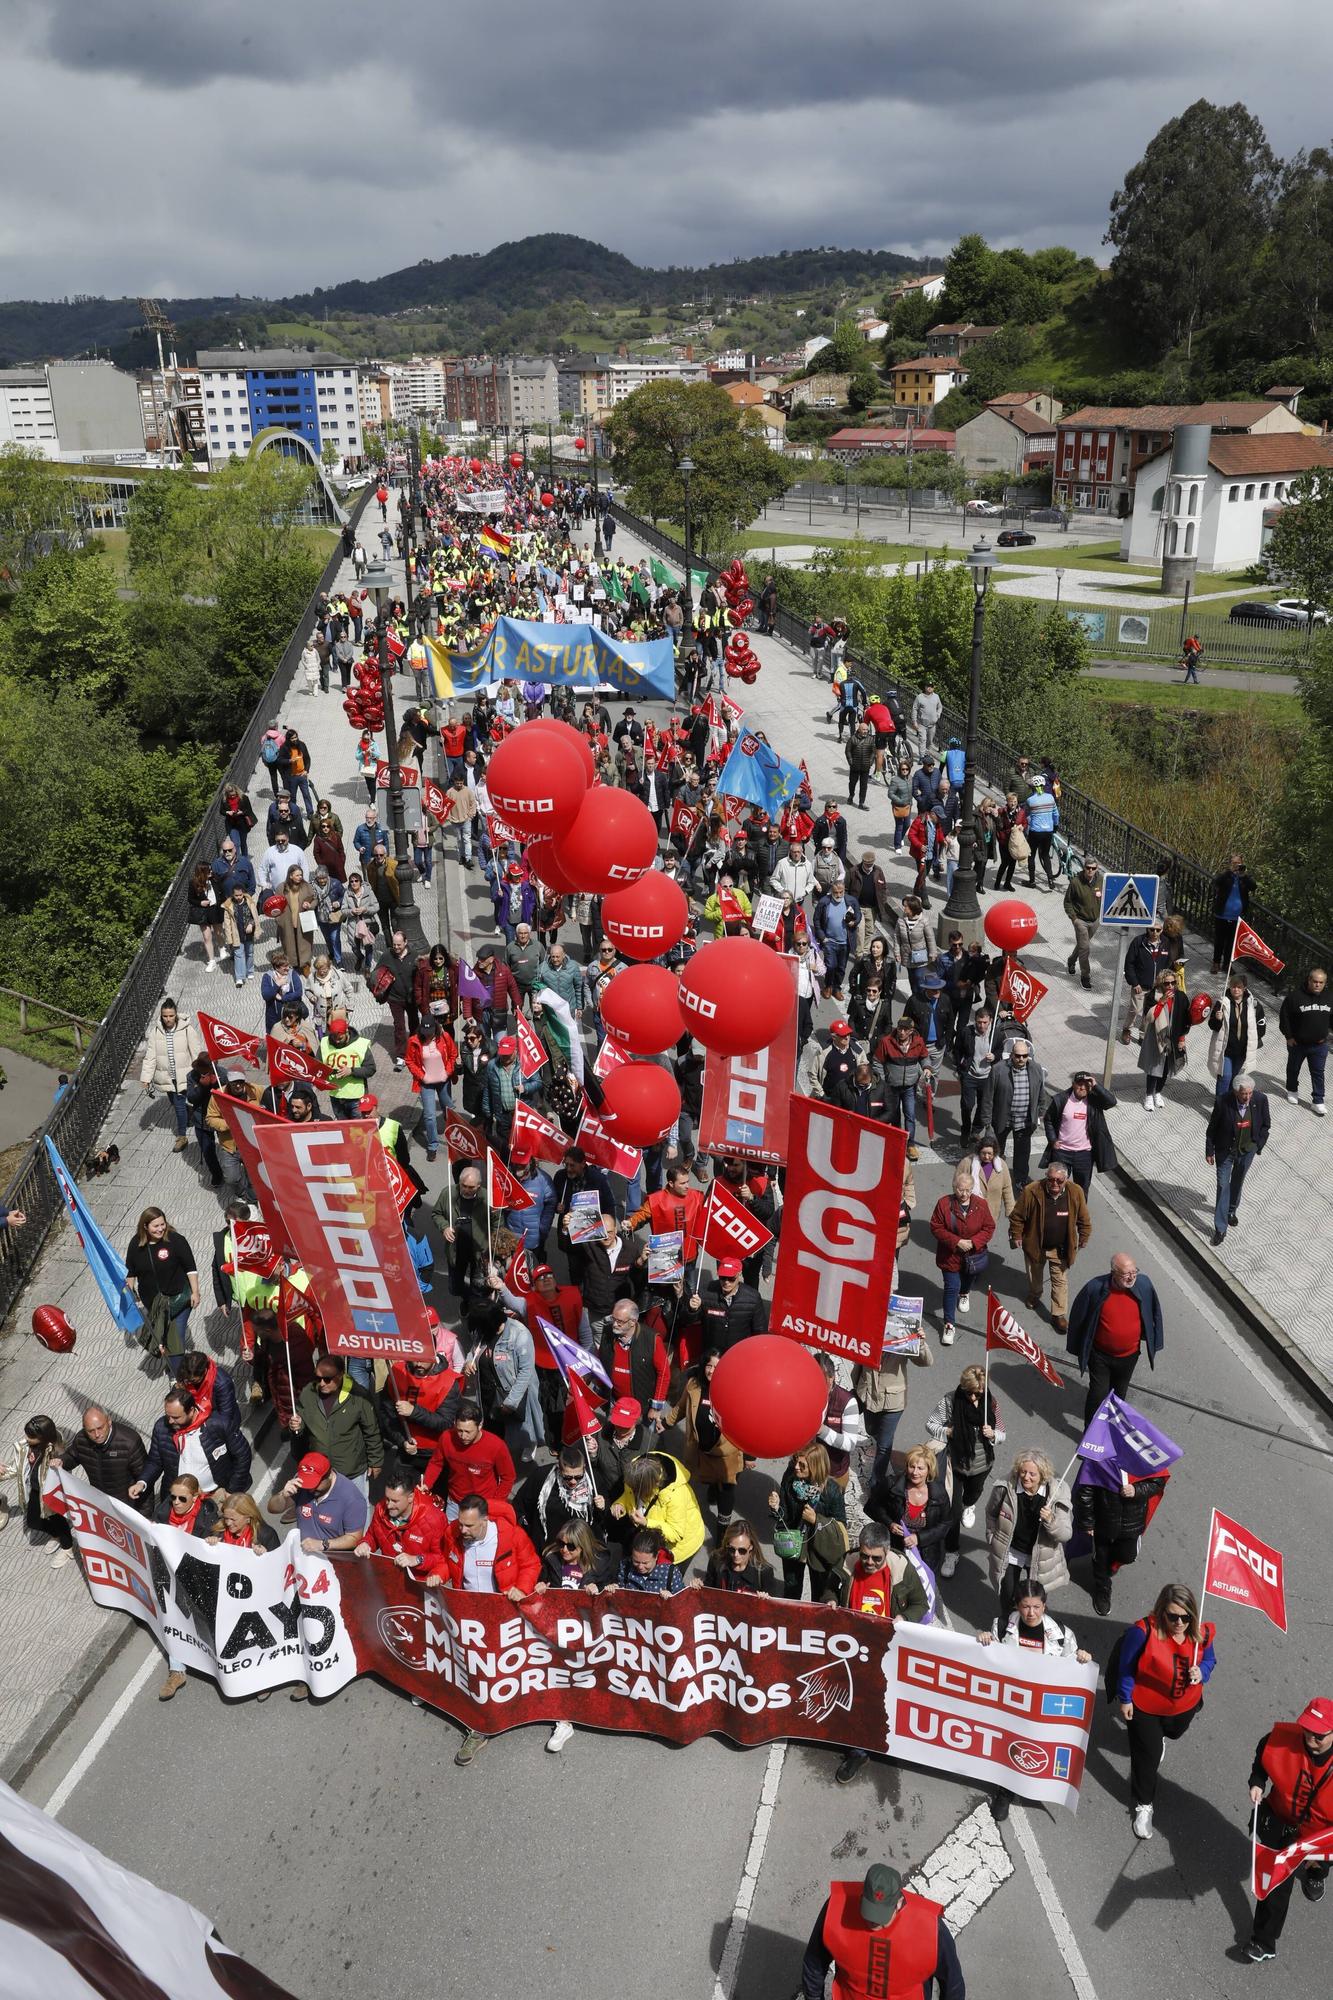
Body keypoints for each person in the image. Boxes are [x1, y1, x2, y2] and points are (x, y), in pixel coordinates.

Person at [977, 1580, 1091, 1820]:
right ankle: (1005, 1792)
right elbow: (990, 1661)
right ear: (1017, 1606)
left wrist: (1081, 1657)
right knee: (1009, 1744)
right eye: (1026, 1607)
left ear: (1044, 1606)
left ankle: (1033, 1782)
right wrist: (985, 1640)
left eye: (1037, 1607)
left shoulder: (1061, 1634)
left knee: (1035, 1748)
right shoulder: (1000, 1626)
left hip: (1042, 1703)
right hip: (1011, 1701)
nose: (1031, 1613)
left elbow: (1072, 1665)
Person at [442, 1493, 541, 1767]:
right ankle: (480, 1726)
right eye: (461, 1524)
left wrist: (521, 1587)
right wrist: (439, 1572)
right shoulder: (454, 1532)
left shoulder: (511, 1536)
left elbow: (532, 1564)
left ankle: (505, 1712)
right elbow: (445, 1558)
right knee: (477, 1668)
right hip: (468, 1613)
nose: (462, 1530)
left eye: (469, 1526)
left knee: (500, 1668)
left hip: (502, 1615)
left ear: (485, 1521)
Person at [1116, 1583, 1217, 1839]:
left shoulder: (1200, 1634)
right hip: (1145, 1706)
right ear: (1162, 1612)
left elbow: (1210, 1659)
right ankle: (1144, 1805)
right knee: (1146, 1758)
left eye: (1186, 1617)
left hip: (1183, 1705)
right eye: (1173, 1616)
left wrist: (1201, 1672)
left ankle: (1159, 1740)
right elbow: (1127, 1666)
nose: (1180, 1622)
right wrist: (1126, 1698)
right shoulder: (1144, 1632)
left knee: (1172, 1733)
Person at [830, 1528, 929, 1785]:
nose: (869, 1563)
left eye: (876, 1558)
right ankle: (858, 1752)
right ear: (859, 1548)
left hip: (887, 1648)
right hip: (853, 1646)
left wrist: (904, 1617)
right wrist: (830, 1600)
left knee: (881, 1701)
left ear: (886, 1552)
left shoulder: (902, 1570)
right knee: (857, 1700)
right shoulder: (847, 1562)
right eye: (865, 1557)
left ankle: (877, 1743)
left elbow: (921, 1604)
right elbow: (828, 1588)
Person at [1245, 1696, 1333, 1962]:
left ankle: (1316, 1872)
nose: (1310, 1739)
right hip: (1282, 1823)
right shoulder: (1285, 1738)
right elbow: (1264, 1751)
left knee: (1318, 1862)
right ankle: (1264, 1943)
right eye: (1308, 1731)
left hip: (1320, 1836)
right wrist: (1257, 1780)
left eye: (1319, 1735)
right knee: (1275, 1884)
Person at [801, 1862, 965, 2000]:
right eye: (869, 1912)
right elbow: (814, 1962)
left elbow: (952, 1983)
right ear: (861, 1895)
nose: (873, 1922)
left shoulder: (932, 1929)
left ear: (900, 1903)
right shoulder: (835, 1908)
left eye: (882, 1916)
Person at [1067, 1251, 1164, 1428]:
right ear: (1114, 1272)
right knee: (1097, 1396)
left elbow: (1154, 1312)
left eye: (1134, 1271)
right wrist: (1077, 1348)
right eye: (1126, 1273)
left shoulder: (1144, 1284)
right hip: (1100, 1357)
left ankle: (1111, 1432)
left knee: (1118, 1397)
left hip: (1129, 1357)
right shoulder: (1094, 1288)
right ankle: (1090, 1439)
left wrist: (1154, 1340)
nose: (1132, 1277)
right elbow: (1078, 1318)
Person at [927, 1365, 1004, 1579]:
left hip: (982, 1464)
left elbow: (1003, 1433)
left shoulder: (992, 1403)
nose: (972, 1398)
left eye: (977, 1393)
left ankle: (969, 1506)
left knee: (973, 1494)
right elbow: (931, 1424)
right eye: (968, 1392)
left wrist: (994, 1434)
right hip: (956, 1463)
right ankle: (951, 1552)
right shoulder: (950, 1401)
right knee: (953, 1509)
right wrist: (948, 1431)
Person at [984, 1448, 1072, 1622]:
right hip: (1011, 1552)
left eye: (1032, 1474)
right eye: (1023, 1472)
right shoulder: (1005, 1486)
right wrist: (991, 1536)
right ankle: (1007, 1625)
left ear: (1043, 1475)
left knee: (1032, 1601)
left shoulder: (1057, 1493)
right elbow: (991, 1513)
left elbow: (1065, 1534)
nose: (1026, 1477)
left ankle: (1028, 1629)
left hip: (1039, 1557)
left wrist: (1051, 1520)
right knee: (1008, 1595)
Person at [1074, 1464, 1171, 1618]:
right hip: (1103, 1522)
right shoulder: (1100, 1456)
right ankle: (1102, 1589)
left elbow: (1158, 1482)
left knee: (1127, 1556)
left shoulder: (1143, 1455)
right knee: (1101, 1559)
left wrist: (1136, 1490)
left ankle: (1110, 1567)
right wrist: (1087, 1522)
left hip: (1132, 1524)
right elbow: (1086, 1491)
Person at [1007, 1159, 1090, 1335]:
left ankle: (1058, 1314)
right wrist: (1017, 1235)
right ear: (1046, 1177)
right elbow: (1017, 1216)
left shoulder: (1075, 1192)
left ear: (1066, 1180)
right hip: (1035, 1245)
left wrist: (1084, 1236)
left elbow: (1084, 1218)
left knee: (1060, 1280)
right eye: (1051, 1179)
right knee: (1034, 1276)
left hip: (1060, 1248)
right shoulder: (1032, 1190)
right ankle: (1035, 1294)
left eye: (1059, 1181)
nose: (1054, 1184)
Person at [666, 1350, 744, 1530]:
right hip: (702, 1451)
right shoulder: (693, 1385)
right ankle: (713, 1487)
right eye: (709, 1365)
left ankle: (722, 1531)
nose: (712, 1371)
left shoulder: (735, 1389)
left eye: (717, 1367)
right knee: (710, 1481)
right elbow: (681, 1407)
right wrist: (666, 1422)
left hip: (727, 1455)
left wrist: (749, 1456)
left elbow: (748, 1422)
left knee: (726, 1491)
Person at [290, 1358, 383, 1497]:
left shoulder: (359, 1396)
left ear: (340, 1376)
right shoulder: (308, 1393)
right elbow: (302, 1419)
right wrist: (297, 1425)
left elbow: (372, 1431)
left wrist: (375, 1461)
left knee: (357, 1510)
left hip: (351, 1471)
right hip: (320, 1470)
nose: (321, 1383)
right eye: (318, 1378)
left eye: (327, 1379)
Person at [767, 1443, 847, 1602]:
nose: (796, 1467)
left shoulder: (831, 1491)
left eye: (802, 1465)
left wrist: (816, 1521)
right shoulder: (790, 1481)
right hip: (793, 1543)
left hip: (819, 1549)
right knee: (792, 1589)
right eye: (796, 1461)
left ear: (815, 1467)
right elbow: (785, 1516)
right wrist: (776, 1508)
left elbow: (840, 1526)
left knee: (819, 1592)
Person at [928, 1163, 995, 1345]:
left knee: (967, 1280)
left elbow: (989, 1227)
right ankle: (949, 1323)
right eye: (960, 1189)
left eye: (967, 1190)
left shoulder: (981, 1205)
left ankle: (965, 1294)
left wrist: (974, 1242)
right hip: (950, 1255)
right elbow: (936, 1227)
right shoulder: (944, 1204)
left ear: (972, 1189)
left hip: (973, 1256)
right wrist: (956, 1241)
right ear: (953, 1187)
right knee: (951, 1287)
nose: (964, 1193)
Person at [124, 1208, 199, 1364]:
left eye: (162, 1224)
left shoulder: (176, 1240)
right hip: (154, 1304)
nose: (160, 1229)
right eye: (155, 1226)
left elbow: (190, 1268)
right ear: (145, 1226)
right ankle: (174, 1365)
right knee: (163, 1339)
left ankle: (177, 1379)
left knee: (175, 1339)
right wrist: (130, 1295)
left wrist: (196, 1292)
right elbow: (130, 1272)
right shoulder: (136, 1244)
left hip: (178, 1300)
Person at [1204, 1072, 1271, 1244]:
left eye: (1250, 1093)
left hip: (1247, 1150)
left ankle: (1231, 1211)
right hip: (1225, 1151)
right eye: (1244, 1094)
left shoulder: (1260, 1100)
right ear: (1235, 1092)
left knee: (1238, 1181)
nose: (1248, 1097)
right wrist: (1209, 1151)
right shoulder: (1222, 1102)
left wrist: (1258, 1144)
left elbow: (1266, 1125)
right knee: (1222, 1185)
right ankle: (1220, 1228)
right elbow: (1212, 1128)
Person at [871, 1440, 951, 1580]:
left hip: (925, 1556)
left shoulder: (939, 1494)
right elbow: (874, 1507)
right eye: (911, 1467)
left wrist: (919, 1538)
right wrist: (889, 1523)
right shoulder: (892, 1485)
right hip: (894, 1551)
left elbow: (945, 1524)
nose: (915, 1472)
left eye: (920, 1468)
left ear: (929, 1470)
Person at [611, 1451, 706, 1566]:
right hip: (647, 1541)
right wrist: (620, 1504)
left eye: (638, 1490)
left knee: (666, 1580)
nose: (634, 1492)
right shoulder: (635, 1474)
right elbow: (628, 1495)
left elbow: (675, 1533)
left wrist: (647, 1523)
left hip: (678, 1548)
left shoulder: (676, 1495)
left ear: (650, 1486)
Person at [424, 1401, 515, 1515]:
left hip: (482, 1506)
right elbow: (436, 1463)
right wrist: (426, 1484)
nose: (463, 1436)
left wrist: (496, 1504)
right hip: (454, 1503)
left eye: (468, 1432)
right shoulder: (446, 1438)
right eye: (459, 1430)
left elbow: (508, 1477)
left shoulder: (496, 1446)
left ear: (480, 1425)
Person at [354, 1470, 450, 1579]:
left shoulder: (435, 1519)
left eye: (395, 1501)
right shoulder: (381, 1509)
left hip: (419, 1583)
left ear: (410, 1497)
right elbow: (373, 1535)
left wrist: (417, 1559)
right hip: (390, 1577)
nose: (389, 1505)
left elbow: (442, 1559)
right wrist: (365, 1544)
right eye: (387, 1499)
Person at [139, 1000, 201, 1154]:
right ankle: (189, 1114)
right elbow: (150, 1056)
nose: (168, 1019)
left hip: (184, 1075)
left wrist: (201, 1073)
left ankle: (181, 1137)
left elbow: (196, 1052)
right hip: (166, 1076)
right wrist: (146, 1078)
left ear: (176, 1014)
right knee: (174, 1102)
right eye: (165, 1016)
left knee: (179, 1105)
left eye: (171, 1015)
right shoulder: (156, 1032)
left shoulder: (187, 1029)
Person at [1041, 1070, 1117, 1192]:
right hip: (1062, 1152)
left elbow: (1111, 1102)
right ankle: (1059, 1209)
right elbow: (1048, 1120)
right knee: (1057, 1187)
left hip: (1084, 1154)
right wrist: (1053, 1140)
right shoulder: (1061, 1099)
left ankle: (1078, 1211)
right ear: (1073, 1084)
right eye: (1079, 1084)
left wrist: (1096, 1085)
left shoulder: (1094, 1101)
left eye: (1086, 1084)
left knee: (1081, 1190)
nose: (1082, 1087)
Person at [56, 1405, 147, 1505]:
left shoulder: (130, 1442)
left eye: (100, 1428)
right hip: (99, 1503)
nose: (97, 1434)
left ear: (109, 1421)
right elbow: (72, 1456)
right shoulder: (81, 1439)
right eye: (90, 1431)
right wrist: (61, 1461)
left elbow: (144, 1478)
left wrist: (145, 1517)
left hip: (126, 1504)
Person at [990, 1038, 1045, 1188]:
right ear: (1012, 1055)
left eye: (1024, 1056)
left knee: (1022, 1153)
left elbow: (1041, 1093)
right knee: (996, 1150)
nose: (1021, 1059)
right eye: (1018, 1055)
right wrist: (986, 1120)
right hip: (1003, 1118)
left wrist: (1040, 1112)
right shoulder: (998, 1069)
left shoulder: (1036, 1069)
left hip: (1024, 1121)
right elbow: (988, 1098)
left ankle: (1020, 1179)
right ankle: (994, 1176)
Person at [1137, 969, 1191, 1109]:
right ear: (1161, 983)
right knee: (1154, 1068)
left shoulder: (1181, 997)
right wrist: (1161, 1002)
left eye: (1173, 983)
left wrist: (1181, 1039)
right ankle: (1149, 1095)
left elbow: (1185, 1020)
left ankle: (1158, 1093)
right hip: (1156, 1036)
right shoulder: (1152, 996)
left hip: (1172, 1038)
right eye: (1167, 983)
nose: (1171, 986)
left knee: (1166, 1068)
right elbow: (1149, 1017)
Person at [1280, 965, 1330, 1115]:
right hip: (1298, 1044)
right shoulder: (1295, 997)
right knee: (1294, 1068)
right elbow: (1284, 1017)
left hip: (1320, 1045)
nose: (1317, 985)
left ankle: (1318, 1101)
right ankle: (1292, 1090)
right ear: (1309, 980)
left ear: (1325, 983)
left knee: (1318, 1073)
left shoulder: (1329, 997)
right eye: (1315, 981)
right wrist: (1288, 1036)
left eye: (1321, 982)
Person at [691, 1518, 777, 1595]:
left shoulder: (763, 1571)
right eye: (731, 1549)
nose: (736, 1554)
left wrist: (764, 1599)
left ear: (751, 1547)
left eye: (742, 1550)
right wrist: (699, 1586)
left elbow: (772, 1606)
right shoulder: (716, 1560)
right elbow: (709, 1589)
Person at [1211, 849, 1256, 972]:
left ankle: (1227, 965)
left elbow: (1253, 886)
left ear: (1242, 863)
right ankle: (1216, 963)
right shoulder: (1226, 876)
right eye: (1234, 863)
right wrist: (1229, 872)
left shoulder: (1244, 877)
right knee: (1219, 941)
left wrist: (1244, 876)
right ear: (1230, 864)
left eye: (1238, 863)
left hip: (1237, 917)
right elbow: (1215, 882)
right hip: (1222, 915)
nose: (1236, 865)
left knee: (1231, 943)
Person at [1063, 856, 1101, 989]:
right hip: (1081, 921)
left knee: (1082, 945)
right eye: (1088, 868)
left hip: (1095, 920)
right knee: (1085, 949)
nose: (1090, 871)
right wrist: (1074, 919)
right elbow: (1067, 902)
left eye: (1093, 868)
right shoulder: (1075, 882)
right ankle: (1085, 976)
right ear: (1084, 868)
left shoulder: (1101, 880)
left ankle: (1071, 960)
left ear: (1097, 869)